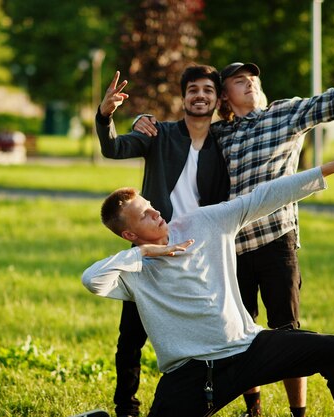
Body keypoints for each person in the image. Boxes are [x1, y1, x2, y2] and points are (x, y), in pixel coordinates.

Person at [134, 33, 334, 417]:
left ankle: (297, 411)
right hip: (231, 247)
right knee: (242, 331)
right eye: (238, 80)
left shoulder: (284, 113)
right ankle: (254, 408)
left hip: (275, 241)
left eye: (253, 78)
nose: (249, 82)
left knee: (286, 327)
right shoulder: (221, 133)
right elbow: (181, 129)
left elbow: (333, 101)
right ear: (224, 99)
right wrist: (141, 119)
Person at [83, 146, 334, 417]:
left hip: (248, 348)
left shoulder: (202, 222)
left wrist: (325, 170)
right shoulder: (134, 271)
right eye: (145, 215)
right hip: (193, 374)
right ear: (130, 235)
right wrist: (147, 252)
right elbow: (92, 280)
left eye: (150, 206)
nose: (156, 212)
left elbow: (262, 197)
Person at [96, 65, 230, 417]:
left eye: (207, 90)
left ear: (217, 98)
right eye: (193, 90)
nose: (200, 95)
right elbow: (113, 148)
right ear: (183, 96)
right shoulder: (159, 133)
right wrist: (105, 114)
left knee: (207, 333)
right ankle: (126, 406)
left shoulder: (224, 141)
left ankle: (210, 402)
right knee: (131, 337)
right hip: (151, 249)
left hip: (198, 252)